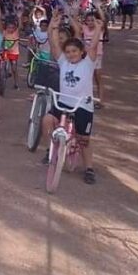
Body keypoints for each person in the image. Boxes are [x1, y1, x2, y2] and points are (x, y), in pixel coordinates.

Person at [41, 11, 100, 184]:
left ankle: (89, 168)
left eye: (74, 51)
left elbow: (94, 45)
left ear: (82, 51)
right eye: (68, 51)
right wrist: (53, 26)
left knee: (84, 140)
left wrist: (97, 29)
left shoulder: (88, 63)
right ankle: (50, 150)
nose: (70, 54)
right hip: (63, 103)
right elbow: (54, 46)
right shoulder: (63, 62)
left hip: (83, 106)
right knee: (46, 120)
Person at [82, 9, 106, 106]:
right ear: (86, 21)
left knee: (98, 78)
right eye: (88, 20)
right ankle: (87, 100)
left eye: (93, 20)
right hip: (86, 56)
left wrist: (98, 8)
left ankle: (101, 101)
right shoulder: (84, 28)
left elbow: (103, 20)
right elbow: (74, 19)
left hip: (97, 56)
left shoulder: (99, 28)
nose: (91, 22)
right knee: (87, 78)